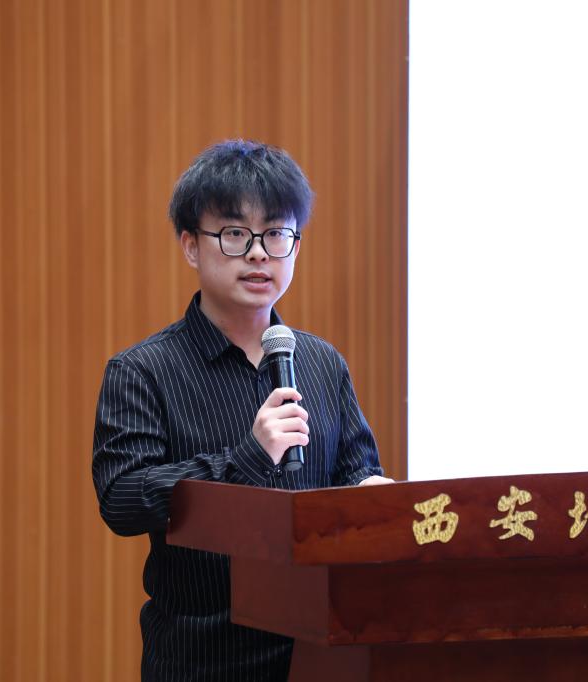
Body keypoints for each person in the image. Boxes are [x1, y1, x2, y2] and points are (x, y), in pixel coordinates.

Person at [92, 139, 393, 681]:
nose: (259, 254)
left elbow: (356, 474)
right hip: (203, 660)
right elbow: (122, 500)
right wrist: (245, 460)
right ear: (191, 246)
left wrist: (374, 497)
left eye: (276, 234)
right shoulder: (142, 370)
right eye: (235, 234)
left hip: (323, 654)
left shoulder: (322, 362)